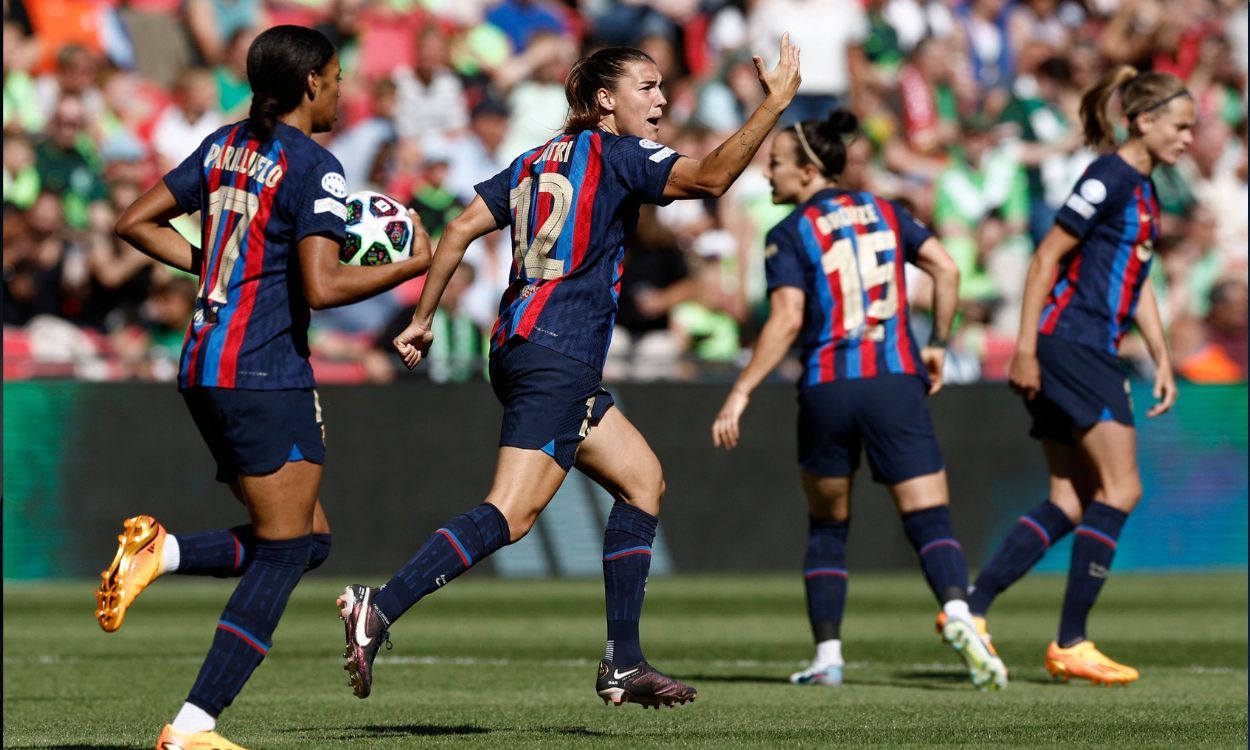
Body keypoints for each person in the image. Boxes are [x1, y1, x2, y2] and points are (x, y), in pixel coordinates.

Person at [336, 35, 803, 708]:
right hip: (556, 350)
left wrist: (423, 317)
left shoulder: (533, 160)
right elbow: (710, 178)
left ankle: (623, 661)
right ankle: (377, 607)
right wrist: (773, 104)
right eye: (648, 87)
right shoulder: (619, 154)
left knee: (643, 482)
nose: (663, 99)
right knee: (511, 513)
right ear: (605, 101)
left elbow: (464, 227)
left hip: (531, 346)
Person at [97, 25, 431, 750]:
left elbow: (134, 221)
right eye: (339, 76)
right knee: (285, 551)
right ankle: (193, 727)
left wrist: (216, 267)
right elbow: (323, 282)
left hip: (204, 361)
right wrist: (412, 270)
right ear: (311, 82)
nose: (343, 88)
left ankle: (165, 553)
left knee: (309, 540)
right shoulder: (315, 164)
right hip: (262, 370)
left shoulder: (227, 144)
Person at [710, 109, 1008, 691]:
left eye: (775, 165)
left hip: (827, 387)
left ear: (809, 170)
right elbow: (946, 269)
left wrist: (741, 390)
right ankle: (957, 609)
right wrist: (940, 344)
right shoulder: (889, 212)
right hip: (895, 380)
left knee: (827, 525)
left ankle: (827, 656)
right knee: (929, 517)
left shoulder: (789, 234)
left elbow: (789, 318)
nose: (767, 176)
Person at [967, 66, 1191, 685]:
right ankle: (1071, 640)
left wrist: (1162, 356)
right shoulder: (1111, 177)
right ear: (1144, 121)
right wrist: (1025, 349)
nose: (1190, 138)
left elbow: (1136, 279)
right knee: (1121, 491)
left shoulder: (1145, 187)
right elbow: (1045, 256)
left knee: (1070, 499)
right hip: (1074, 344)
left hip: (1084, 345)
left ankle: (972, 607)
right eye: (1181, 125)